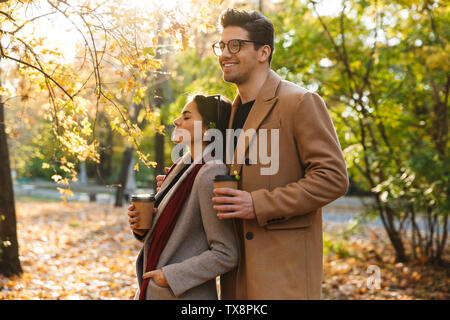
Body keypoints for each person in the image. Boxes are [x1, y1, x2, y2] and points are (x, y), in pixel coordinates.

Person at [209, 9, 349, 299]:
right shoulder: (229, 115)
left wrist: (258, 204)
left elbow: (333, 179)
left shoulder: (300, 102)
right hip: (235, 280)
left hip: (284, 277)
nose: (224, 53)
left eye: (235, 45)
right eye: (221, 46)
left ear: (263, 52)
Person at [128, 94, 237, 300]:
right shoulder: (182, 168)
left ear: (207, 129)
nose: (176, 121)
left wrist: (169, 276)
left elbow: (226, 253)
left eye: (187, 117)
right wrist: (142, 226)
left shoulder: (210, 173)